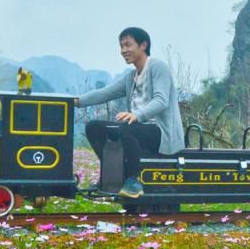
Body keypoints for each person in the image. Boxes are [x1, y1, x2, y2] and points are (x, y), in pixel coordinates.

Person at [78, 27, 185, 198]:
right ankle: (112, 173)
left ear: (143, 45)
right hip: (137, 128)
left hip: (161, 131)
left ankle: (134, 180)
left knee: (124, 128)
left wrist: (137, 115)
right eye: (121, 46)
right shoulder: (131, 77)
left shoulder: (158, 67)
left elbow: (161, 100)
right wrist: (76, 101)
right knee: (94, 127)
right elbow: (106, 92)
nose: (123, 50)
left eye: (128, 45)